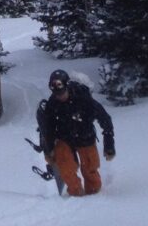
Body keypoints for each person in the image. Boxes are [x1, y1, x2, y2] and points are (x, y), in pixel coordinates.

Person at [36, 68, 116, 197]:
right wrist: (49, 149)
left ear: (67, 86)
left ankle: (94, 196)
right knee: (65, 167)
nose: (60, 96)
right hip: (64, 138)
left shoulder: (84, 99)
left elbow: (105, 119)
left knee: (91, 172)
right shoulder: (53, 104)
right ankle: (75, 193)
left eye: (62, 93)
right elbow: (48, 129)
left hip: (85, 136)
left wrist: (109, 144)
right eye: (56, 94)